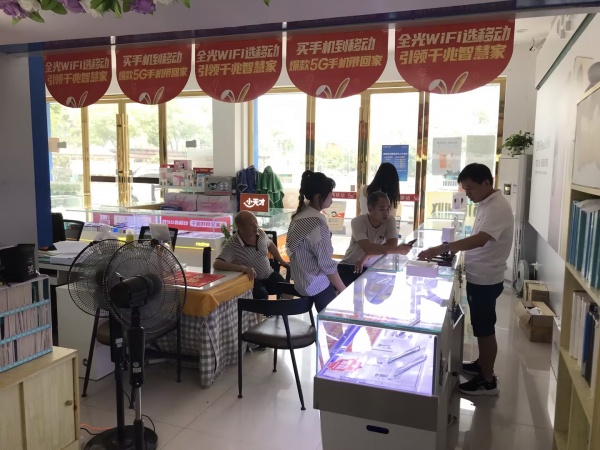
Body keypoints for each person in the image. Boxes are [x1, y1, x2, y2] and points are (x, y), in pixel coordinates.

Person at [418, 163, 513, 396]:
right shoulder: (486, 203)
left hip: (486, 278)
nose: (467, 193)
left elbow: (480, 240)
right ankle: (482, 364)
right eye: (465, 189)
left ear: (486, 183)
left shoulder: (497, 207)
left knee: (484, 329)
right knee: (481, 325)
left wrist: (444, 247)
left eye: (470, 188)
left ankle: (487, 381)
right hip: (480, 274)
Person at [286, 170, 345, 312]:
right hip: (316, 285)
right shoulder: (316, 222)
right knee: (331, 322)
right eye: (330, 194)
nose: (332, 197)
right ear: (318, 197)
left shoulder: (298, 217)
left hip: (301, 282)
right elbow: (326, 263)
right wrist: (343, 290)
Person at [337, 191, 413, 286]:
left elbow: (391, 245)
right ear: (370, 209)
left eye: (388, 208)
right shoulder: (358, 221)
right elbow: (368, 248)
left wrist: (367, 256)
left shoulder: (390, 220)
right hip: (350, 265)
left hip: (371, 266)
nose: (386, 212)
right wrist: (397, 250)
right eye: (382, 209)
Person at [213, 210, 289, 300]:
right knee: (262, 294)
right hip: (251, 280)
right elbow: (217, 264)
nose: (256, 226)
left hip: (268, 275)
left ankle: (286, 308)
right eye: (251, 225)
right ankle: (263, 309)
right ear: (240, 228)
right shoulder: (233, 243)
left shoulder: (260, 233)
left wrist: (281, 261)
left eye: (256, 222)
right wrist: (242, 268)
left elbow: (270, 245)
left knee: (287, 288)